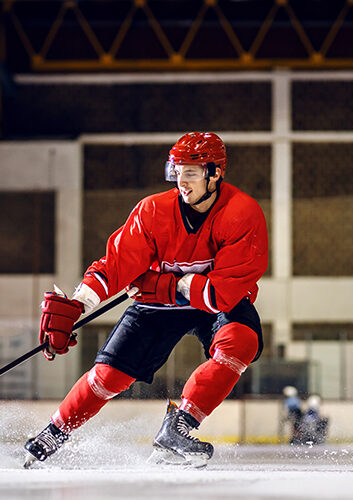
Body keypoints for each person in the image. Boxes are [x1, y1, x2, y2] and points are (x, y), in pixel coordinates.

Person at [23, 132, 268, 468]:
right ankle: (54, 432)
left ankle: (178, 426)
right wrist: (79, 304)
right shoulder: (153, 210)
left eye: (192, 173)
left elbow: (221, 294)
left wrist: (161, 285)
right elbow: (116, 266)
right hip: (159, 306)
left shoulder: (242, 213)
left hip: (213, 305)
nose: (182, 181)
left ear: (215, 173)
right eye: (177, 171)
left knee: (240, 343)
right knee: (109, 376)